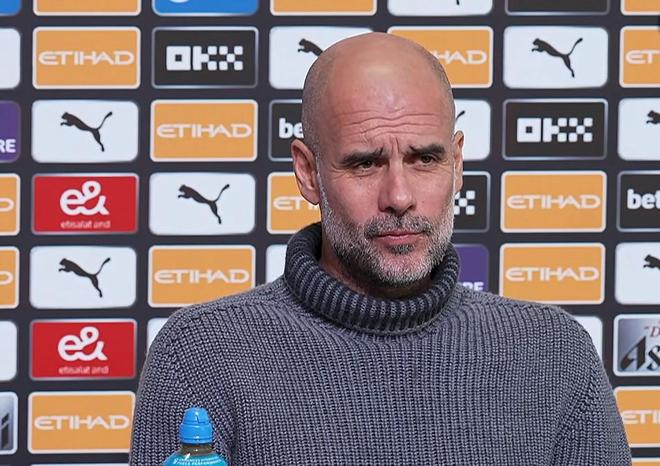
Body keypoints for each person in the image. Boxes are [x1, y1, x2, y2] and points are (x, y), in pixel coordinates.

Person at [130, 32, 631, 465]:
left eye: (424, 159)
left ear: (457, 163)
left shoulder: (554, 355)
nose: (399, 196)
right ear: (308, 172)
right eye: (365, 164)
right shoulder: (201, 355)